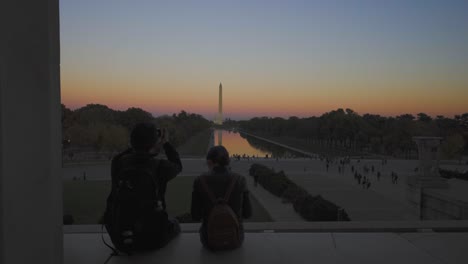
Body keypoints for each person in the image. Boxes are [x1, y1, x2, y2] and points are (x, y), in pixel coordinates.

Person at [104, 122, 182, 253]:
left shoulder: (118, 162)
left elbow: (130, 154)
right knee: (175, 224)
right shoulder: (160, 166)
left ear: (132, 142)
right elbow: (178, 165)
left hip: (121, 239)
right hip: (153, 239)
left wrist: (140, 145)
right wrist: (165, 143)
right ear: (153, 143)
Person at [191, 146, 252, 250]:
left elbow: (195, 216)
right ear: (227, 161)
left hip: (209, 240)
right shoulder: (240, 180)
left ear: (210, 162)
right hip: (235, 239)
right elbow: (248, 214)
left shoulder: (199, 181)